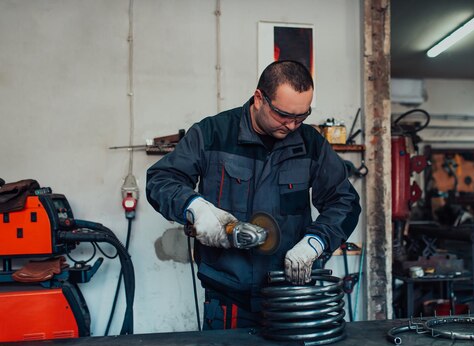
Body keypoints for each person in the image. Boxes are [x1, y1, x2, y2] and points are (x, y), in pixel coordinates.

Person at [146, 60, 361, 330]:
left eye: (301, 116)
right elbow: (162, 179)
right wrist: (196, 208)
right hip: (227, 295)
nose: (293, 125)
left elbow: (345, 201)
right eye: (284, 115)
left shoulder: (310, 144)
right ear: (259, 98)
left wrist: (315, 243)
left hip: (291, 294)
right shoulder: (213, 134)